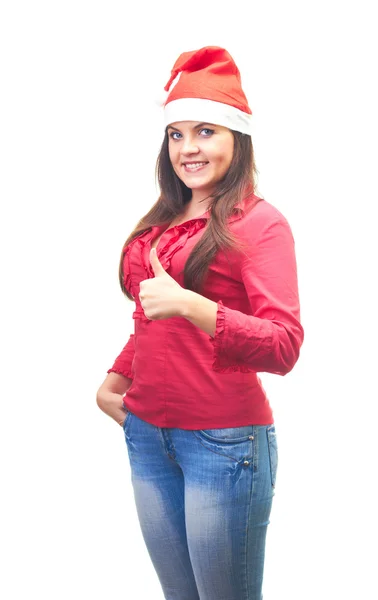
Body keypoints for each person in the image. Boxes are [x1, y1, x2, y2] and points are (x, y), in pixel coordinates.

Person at [96, 46, 304, 600]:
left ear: (238, 139)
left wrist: (193, 305)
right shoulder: (165, 218)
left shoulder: (260, 224)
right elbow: (150, 316)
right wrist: (117, 381)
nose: (188, 148)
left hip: (223, 443)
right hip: (146, 433)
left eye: (206, 131)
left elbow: (284, 346)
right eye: (176, 134)